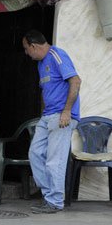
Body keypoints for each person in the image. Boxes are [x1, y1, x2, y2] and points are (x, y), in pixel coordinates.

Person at [22, 30, 81, 213]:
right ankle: (49, 196)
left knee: (55, 160)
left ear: (34, 46)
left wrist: (67, 111)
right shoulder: (41, 64)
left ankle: (55, 201)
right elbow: (46, 92)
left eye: (26, 49)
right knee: (35, 153)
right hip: (48, 116)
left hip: (61, 116)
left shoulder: (56, 54)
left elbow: (76, 81)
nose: (26, 53)